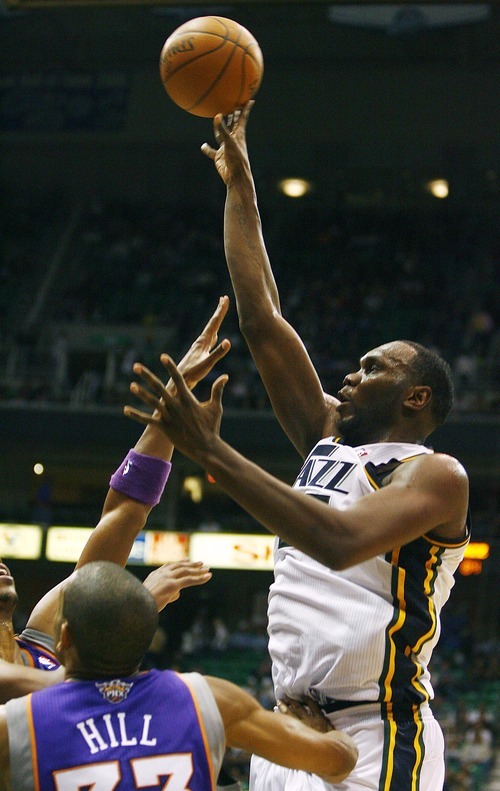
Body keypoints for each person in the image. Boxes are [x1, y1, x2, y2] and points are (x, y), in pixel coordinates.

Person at [123, 101, 471, 791]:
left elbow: (338, 540)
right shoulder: (326, 440)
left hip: (378, 731)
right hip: (286, 733)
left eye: (374, 367)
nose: (349, 374)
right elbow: (262, 316)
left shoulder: (435, 477)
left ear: (417, 397)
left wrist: (212, 452)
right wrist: (240, 186)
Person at [0, 298, 231, 703]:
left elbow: (125, 511)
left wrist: (172, 405)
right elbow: (65, 690)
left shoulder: (42, 634)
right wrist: (141, 603)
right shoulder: (23, 672)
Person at [0, 561, 358, 790]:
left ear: (63, 639)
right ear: (145, 638)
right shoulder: (205, 699)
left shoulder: (15, 724)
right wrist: (321, 734)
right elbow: (339, 761)